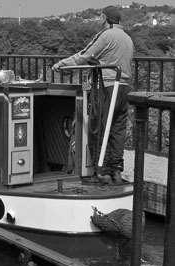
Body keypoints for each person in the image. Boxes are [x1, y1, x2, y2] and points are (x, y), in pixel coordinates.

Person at [52, 6, 134, 185]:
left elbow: (85, 55)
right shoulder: (128, 38)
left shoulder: (106, 35)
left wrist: (61, 64)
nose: (99, 19)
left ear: (105, 18)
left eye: (100, 16)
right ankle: (116, 171)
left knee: (98, 127)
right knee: (117, 129)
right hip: (125, 87)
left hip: (107, 85)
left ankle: (101, 172)